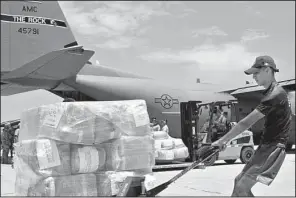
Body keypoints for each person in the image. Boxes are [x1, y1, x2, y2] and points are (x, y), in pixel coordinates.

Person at [212, 55, 291, 197]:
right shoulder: (272, 93)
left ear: (267, 70)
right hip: (266, 146)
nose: (254, 77)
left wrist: (223, 140)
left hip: (273, 148)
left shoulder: (275, 94)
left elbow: (246, 122)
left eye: (256, 73)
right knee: (238, 182)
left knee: (242, 187)